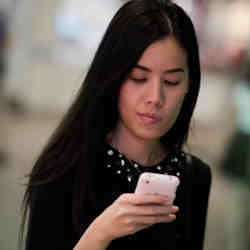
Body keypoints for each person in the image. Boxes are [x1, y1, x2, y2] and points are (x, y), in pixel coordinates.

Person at [20, 1, 212, 249]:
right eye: (138, 78)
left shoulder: (195, 176)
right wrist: (100, 234)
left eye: (172, 81)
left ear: (189, 86)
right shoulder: (62, 170)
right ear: (113, 78)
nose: (155, 97)